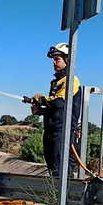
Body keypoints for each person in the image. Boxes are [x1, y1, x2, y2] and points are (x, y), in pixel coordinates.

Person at [30, 42, 82, 177]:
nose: (53, 62)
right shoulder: (56, 83)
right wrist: (40, 111)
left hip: (62, 133)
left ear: (67, 59)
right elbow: (55, 109)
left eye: (57, 58)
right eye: (53, 59)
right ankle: (56, 196)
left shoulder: (71, 81)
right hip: (51, 131)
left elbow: (58, 102)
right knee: (54, 171)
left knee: (61, 172)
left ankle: (65, 197)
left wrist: (41, 99)